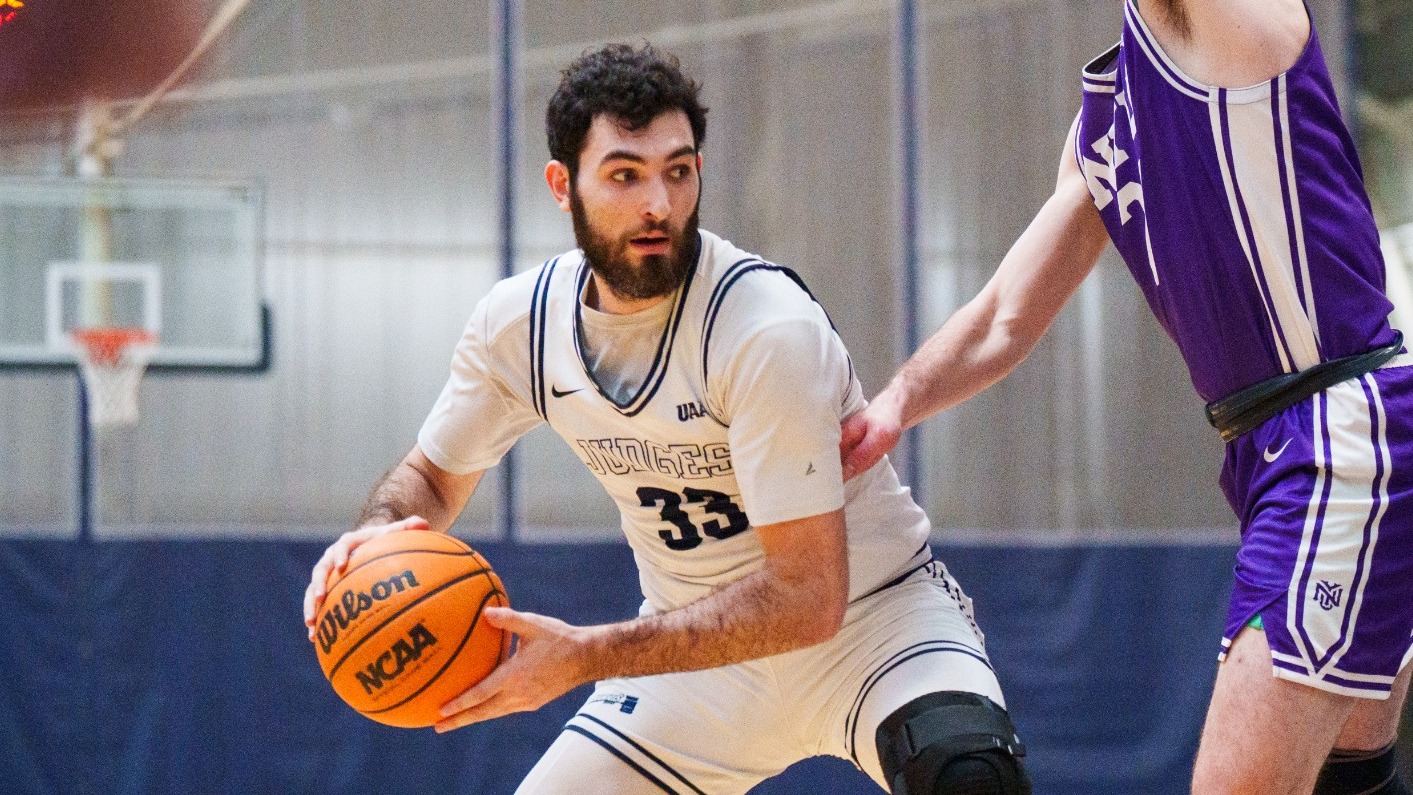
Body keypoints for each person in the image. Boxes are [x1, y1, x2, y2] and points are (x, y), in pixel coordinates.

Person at [303, 44, 1031, 795]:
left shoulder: (760, 327)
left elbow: (807, 599)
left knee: (969, 777)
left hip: (872, 625)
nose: (658, 202)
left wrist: (586, 655)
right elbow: (428, 476)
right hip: (694, 657)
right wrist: (376, 535)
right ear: (564, 186)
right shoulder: (517, 325)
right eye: (625, 174)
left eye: (677, 171)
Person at [840, 1, 1413, 793]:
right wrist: (894, 404)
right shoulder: (1105, 117)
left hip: (1342, 428)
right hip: (1271, 449)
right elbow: (1004, 314)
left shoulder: (1236, 23)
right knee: (1350, 773)